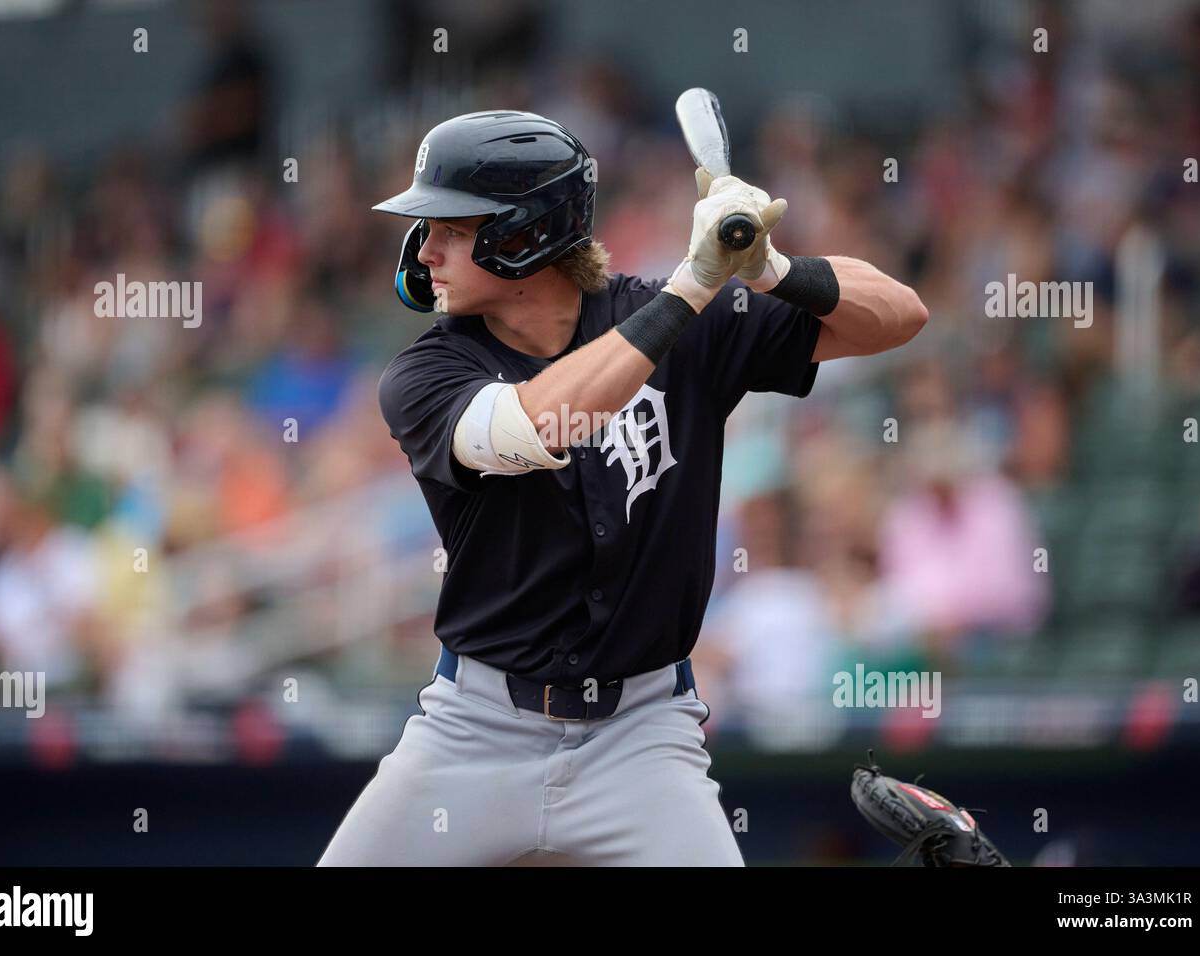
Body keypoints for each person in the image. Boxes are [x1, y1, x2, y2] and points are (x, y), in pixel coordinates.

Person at [318, 110, 927, 866]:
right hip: (473, 733)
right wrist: (693, 285)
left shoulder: (685, 314)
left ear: (524, 236)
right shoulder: (424, 373)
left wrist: (771, 267)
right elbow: (539, 425)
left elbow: (901, 316)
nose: (426, 248)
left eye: (453, 226)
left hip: (641, 738)